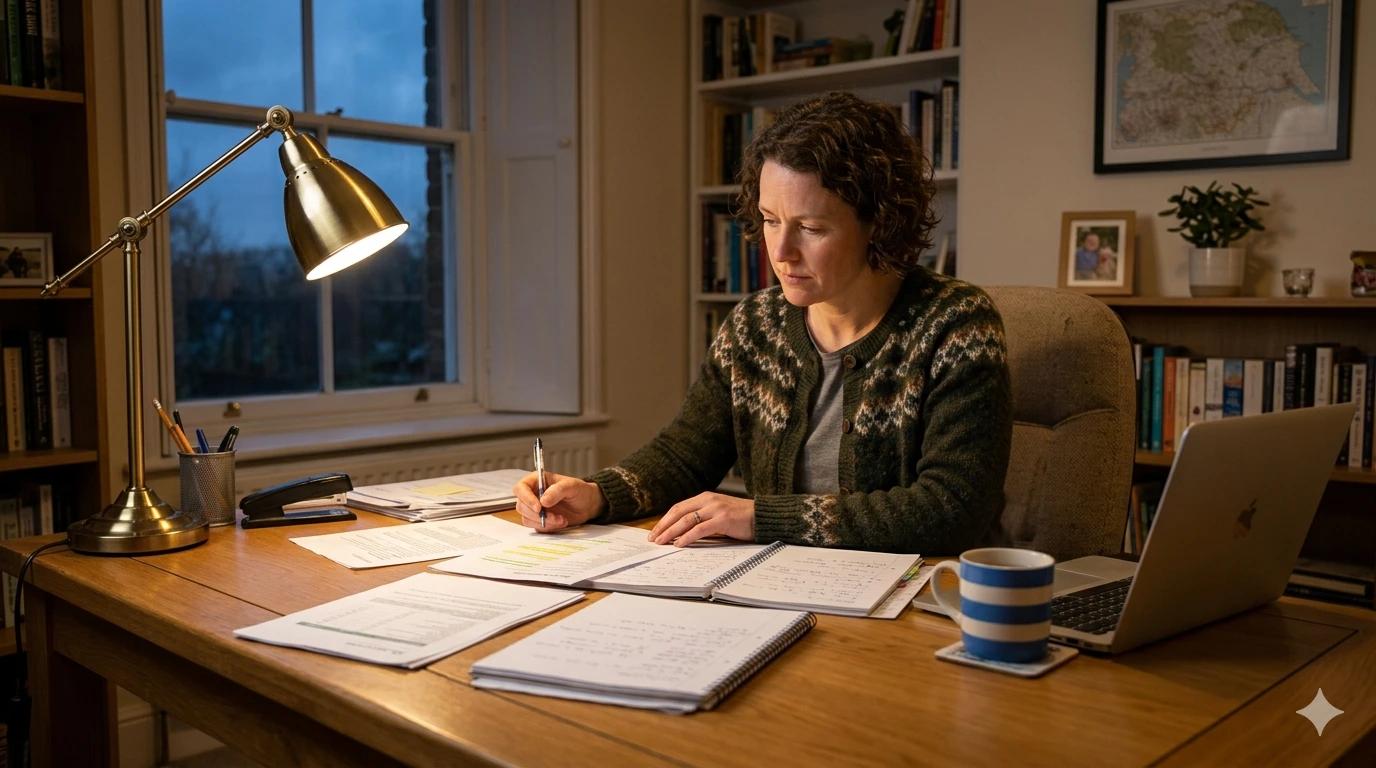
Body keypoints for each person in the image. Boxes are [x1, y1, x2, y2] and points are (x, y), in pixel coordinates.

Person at [513, 91, 1012, 553]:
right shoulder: (755, 325)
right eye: (771, 220)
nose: (779, 251)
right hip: (775, 585)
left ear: (879, 222)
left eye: (811, 228)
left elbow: (953, 509)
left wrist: (761, 519)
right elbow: (687, 454)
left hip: (914, 601)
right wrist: (597, 494)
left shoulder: (955, 324)